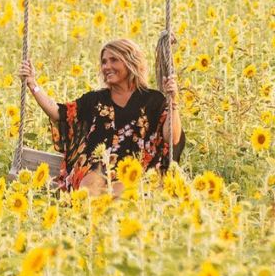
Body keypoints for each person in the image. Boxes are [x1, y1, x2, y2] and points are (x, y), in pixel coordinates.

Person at [19, 38, 184, 195]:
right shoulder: (95, 100)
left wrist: (173, 101)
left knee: (121, 191)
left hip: (135, 170)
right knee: (91, 186)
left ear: (130, 62)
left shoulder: (153, 100)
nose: (107, 66)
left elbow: (172, 137)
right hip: (95, 167)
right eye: (104, 62)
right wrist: (33, 84)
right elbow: (59, 113)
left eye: (114, 60)